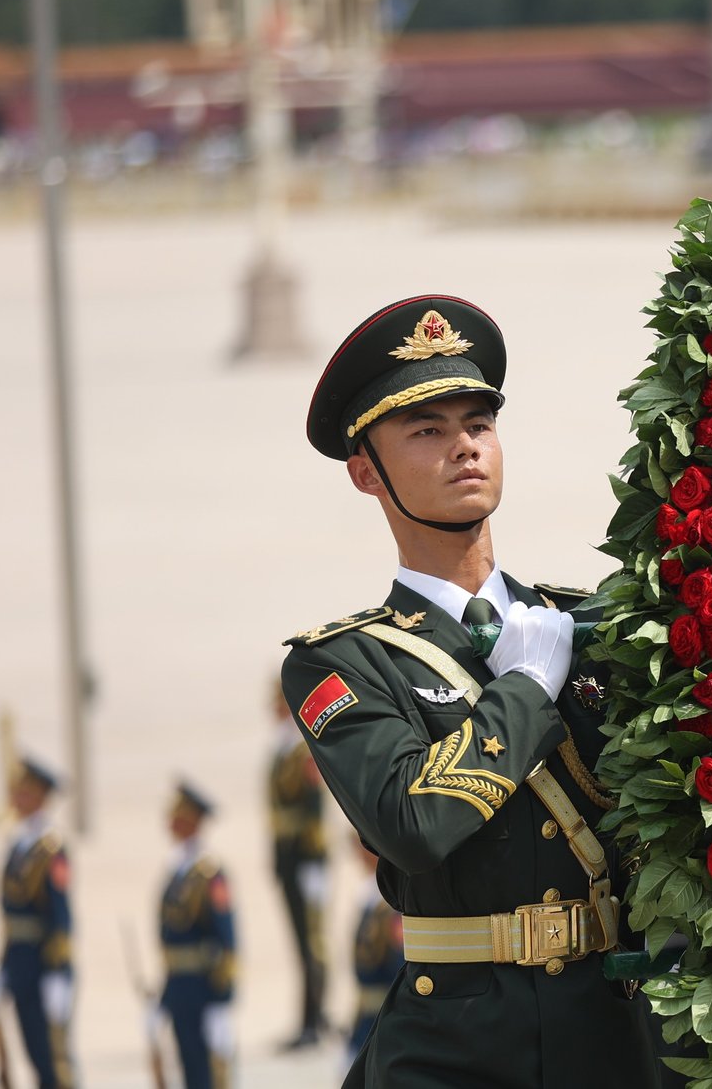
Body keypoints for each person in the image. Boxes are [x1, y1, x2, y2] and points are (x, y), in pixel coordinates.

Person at [279, 294, 659, 1087]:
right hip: (455, 1047)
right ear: (364, 472)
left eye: (478, 425)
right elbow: (415, 822)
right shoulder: (343, 664)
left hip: (611, 1035)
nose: (464, 448)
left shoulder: (591, 623)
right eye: (428, 431)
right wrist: (523, 689)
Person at [0, 756, 74, 1088]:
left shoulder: (50, 850)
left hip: (44, 964)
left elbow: (60, 916)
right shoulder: (18, 845)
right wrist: (4, 965)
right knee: (31, 1052)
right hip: (20, 961)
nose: (16, 799)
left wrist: (58, 971)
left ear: (39, 797)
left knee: (53, 1061)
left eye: (23, 793)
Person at [158, 781, 236, 1089]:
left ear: (191, 821)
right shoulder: (178, 869)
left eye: (177, 816)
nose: (170, 821)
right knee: (189, 1068)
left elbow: (226, 940)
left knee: (209, 1074)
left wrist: (222, 999)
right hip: (180, 987)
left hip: (203, 989)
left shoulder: (209, 874)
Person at [268, 678, 329, 1049]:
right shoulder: (281, 749)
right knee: (300, 940)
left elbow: (314, 810)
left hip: (306, 859)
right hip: (289, 859)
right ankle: (310, 1016)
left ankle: (314, 1019)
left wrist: (314, 862)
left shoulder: (301, 753)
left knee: (313, 942)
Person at [346, 834, 402, 1066]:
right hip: (366, 1017)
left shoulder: (389, 905)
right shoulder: (369, 897)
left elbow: (398, 964)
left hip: (384, 1017)